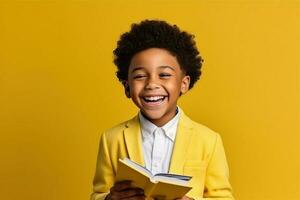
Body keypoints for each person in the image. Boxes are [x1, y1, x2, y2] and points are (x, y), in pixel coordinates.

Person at [91, 19, 234, 200]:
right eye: (140, 76)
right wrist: (109, 199)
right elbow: (98, 193)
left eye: (164, 75)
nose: (152, 84)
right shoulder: (111, 139)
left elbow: (223, 197)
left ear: (183, 83)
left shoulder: (209, 140)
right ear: (127, 87)